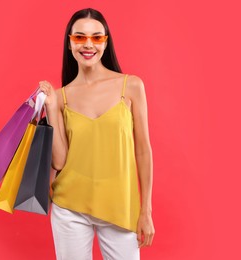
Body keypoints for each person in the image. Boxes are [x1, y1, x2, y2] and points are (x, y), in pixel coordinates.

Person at [38, 8, 154, 260]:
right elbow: (59, 161)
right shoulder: (60, 97)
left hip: (120, 205)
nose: (87, 44)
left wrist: (145, 210)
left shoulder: (131, 86)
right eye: (79, 37)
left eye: (96, 37)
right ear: (69, 43)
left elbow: (143, 150)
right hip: (69, 206)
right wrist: (50, 107)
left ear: (105, 42)